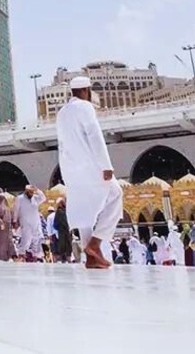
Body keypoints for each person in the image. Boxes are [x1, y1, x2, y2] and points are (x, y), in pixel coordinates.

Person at [55, 76, 123, 269]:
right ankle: (96, 242)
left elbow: (62, 145)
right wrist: (106, 165)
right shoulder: (85, 107)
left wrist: (66, 171)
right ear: (86, 90)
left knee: (85, 209)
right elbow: (94, 135)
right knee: (116, 194)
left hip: (71, 169)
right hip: (90, 165)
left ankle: (92, 257)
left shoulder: (62, 112)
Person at [14, 184, 47, 262]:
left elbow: (43, 198)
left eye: (32, 192)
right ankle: (21, 256)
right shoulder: (20, 198)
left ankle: (36, 258)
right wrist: (15, 221)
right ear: (26, 191)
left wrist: (37, 190)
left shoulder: (35, 198)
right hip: (25, 223)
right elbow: (16, 210)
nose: (31, 193)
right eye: (30, 192)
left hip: (36, 223)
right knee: (26, 240)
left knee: (37, 240)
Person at [53, 198, 71, 263]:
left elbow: (56, 222)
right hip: (64, 230)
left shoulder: (60, 211)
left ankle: (66, 257)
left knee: (64, 244)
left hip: (63, 230)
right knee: (65, 244)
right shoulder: (63, 211)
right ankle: (66, 257)